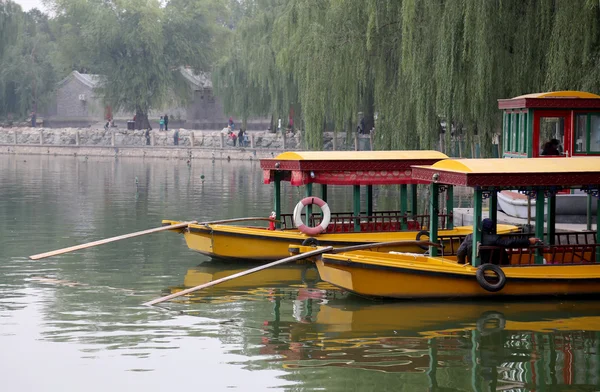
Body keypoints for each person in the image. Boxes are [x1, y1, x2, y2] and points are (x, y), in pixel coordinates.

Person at [456, 218, 539, 265]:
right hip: (493, 266)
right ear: (492, 229)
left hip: (473, 266)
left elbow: (460, 252)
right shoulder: (494, 238)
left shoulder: (470, 236)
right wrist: (528, 241)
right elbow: (510, 243)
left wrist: (462, 264)